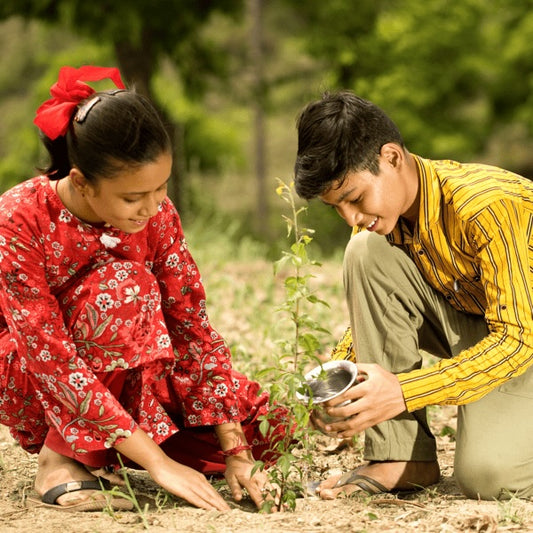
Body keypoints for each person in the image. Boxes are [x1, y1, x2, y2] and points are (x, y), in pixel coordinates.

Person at [0, 65, 287, 512]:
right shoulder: (19, 217)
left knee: (269, 428)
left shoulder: (157, 212)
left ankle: (113, 450)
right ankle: (60, 460)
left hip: (139, 372)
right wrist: (159, 464)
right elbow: (47, 356)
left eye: (161, 189)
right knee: (124, 286)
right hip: (40, 383)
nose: (151, 208)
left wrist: (237, 452)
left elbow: (191, 325)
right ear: (81, 181)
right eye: (133, 198)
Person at [293, 90, 533, 501]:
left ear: (392, 158)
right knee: (366, 251)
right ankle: (400, 457)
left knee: (490, 477)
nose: (351, 217)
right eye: (337, 207)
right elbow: (379, 313)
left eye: (353, 198)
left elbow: (516, 339)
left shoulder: (487, 206)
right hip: (486, 324)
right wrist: (340, 384)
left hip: (521, 337)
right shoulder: (382, 221)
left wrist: (404, 391)